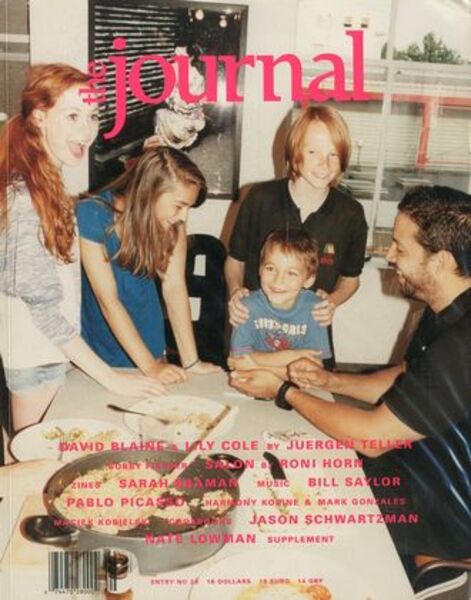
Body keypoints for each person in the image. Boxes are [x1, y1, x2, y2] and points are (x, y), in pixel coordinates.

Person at [230, 186, 471, 598]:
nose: (389, 256)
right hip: (407, 466)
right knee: (278, 480)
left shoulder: (463, 344)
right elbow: (408, 375)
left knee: (291, 530)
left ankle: (428, 566)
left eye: (400, 247)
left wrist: (285, 390)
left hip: (445, 512)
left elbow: (372, 438)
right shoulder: (444, 310)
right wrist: (330, 381)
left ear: (442, 261)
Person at [0, 64, 165, 432]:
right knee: (38, 463)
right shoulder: (24, 198)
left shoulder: (47, 184)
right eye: (73, 115)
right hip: (38, 360)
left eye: (92, 116)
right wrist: (111, 378)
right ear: (40, 117)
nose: (87, 130)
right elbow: (44, 312)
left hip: (52, 355)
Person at [77, 147, 221, 380]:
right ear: (150, 192)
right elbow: (108, 301)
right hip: (99, 351)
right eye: (179, 206)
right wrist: (150, 367)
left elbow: (174, 288)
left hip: (150, 345)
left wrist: (191, 362)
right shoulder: (92, 213)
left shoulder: (173, 226)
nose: (183, 217)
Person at [226, 105, 368, 335]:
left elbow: (351, 278)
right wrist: (235, 292)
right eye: (313, 152)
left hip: (309, 336)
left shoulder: (351, 214)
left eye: (333, 154)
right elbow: (235, 261)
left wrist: (333, 301)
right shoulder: (259, 199)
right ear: (295, 153)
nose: (324, 164)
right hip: (253, 331)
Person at [229, 227, 331, 376]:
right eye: (270, 268)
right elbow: (237, 363)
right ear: (259, 269)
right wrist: (292, 356)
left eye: (291, 273)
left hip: (292, 384)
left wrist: (256, 363)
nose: (278, 280)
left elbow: (314, 369)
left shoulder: (316, 308)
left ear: (308, 280)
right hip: (254, 383)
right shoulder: (245, 307)